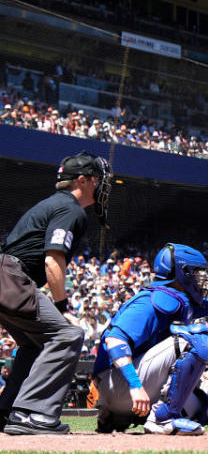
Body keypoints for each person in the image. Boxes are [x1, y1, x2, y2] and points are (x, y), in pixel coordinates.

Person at [92, 244, 208, 435]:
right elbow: (115, 340)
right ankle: (161, 419)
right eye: (195, 273)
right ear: (182, 273)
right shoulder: (150, 301)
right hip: (119, 385)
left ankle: (119, 418)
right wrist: (135, 385)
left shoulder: (177, 300)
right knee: (197, 337)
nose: (199, 280)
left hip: (123, 388)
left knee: (202, 410)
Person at [0, 151, 111, 434]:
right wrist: (62, 306)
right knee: (68, 334)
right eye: (98, 179)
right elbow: (53, 259)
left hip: (7, 276)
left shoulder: (56, 203)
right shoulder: (70, 209)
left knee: (35, 343)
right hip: (11, 276)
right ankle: (31, 414)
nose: (101, 186)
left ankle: (6, 411)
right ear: (84, 181)